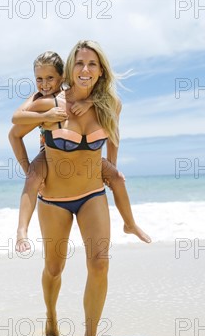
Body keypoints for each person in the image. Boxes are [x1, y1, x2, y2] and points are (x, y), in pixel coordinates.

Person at [9, 40, 133, 336]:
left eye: (92, 64)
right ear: (70, 68)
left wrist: (111, 171)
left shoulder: (109, 105)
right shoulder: (49, 101)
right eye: (79, 63)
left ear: (101, 69)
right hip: (54, 200)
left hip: (92, 194)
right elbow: (14, 128)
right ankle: (51, 316)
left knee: (100, 263)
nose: (85, 69)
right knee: (54, 269)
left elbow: (113, 139)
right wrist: (31, 170)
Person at [9, 51, 150, 254]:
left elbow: (101, 102)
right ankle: (22, 231)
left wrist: (89, 103)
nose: (44, 84)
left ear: (63, 78)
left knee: (117, 178)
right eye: (39, 79)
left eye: (50, 78)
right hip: (48, 151)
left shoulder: (74, 95)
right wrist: (27, 166)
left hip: (88, 158)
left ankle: (130, 224)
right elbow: (16, 120)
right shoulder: (39, 98)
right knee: (32, 178)